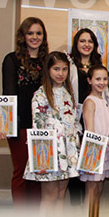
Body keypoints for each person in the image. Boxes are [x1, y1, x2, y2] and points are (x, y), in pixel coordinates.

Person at [2, 16, 48, 202]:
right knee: (21, 172)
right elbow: (8, 94)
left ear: (44, 37)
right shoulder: (12, 60)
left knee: (38, 173)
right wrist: (4, 125)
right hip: (19, 124)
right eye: (30, 33)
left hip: (42, 126)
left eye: (38, 33)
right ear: (23, 36)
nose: (35, 37)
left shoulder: (47, 61)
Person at [24, 52, 81, 201]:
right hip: (50, 151)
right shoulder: (41, 95)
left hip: (67, 150)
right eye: (56, 69)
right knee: (50, 195)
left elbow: (73, 122)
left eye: (64, 69)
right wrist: (41, 160)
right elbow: (37, 128)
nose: (60, 73)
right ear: (48, 70)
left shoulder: (68, 93)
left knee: (61, 193)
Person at [80, 66, 109, 205]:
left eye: (105, 79)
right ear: (89, 80)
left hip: (104, 148)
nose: (102, 82)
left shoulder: (103, 100)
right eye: (97, 79)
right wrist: (95, 149)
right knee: (92, 189)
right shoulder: (90, 101)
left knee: (98, 189)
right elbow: (90, 130)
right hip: (94, 149)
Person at [69, 30, 103, 107]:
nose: (87, 44)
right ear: (76, 43)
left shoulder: (99, 67)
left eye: (90, 41)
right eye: (82, 41)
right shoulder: (70, 66)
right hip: (75, 112)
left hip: (96, 111)